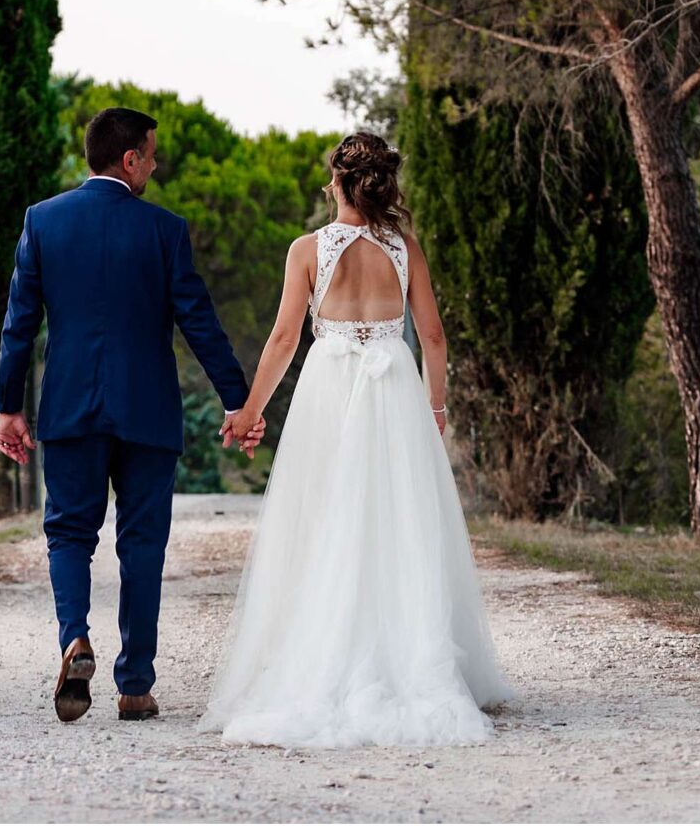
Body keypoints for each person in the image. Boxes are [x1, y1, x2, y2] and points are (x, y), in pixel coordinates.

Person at [200, 130, 513, 746]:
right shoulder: (406, 249)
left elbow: (286, 340)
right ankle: (408, 661)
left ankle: (320, 657)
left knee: (321, 519)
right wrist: (437, 406)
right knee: (398, 521)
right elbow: (435, 337)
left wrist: (248, 412)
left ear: (338, 183)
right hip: (394, 387)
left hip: (330, 387)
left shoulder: (308, 248)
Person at [0, 106, 257, 725]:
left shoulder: (44, 222)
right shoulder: (164, 230)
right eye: (153, 155)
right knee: (142, 545)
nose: (156, 165)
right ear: (130, 159)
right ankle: (135, 684)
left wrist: (8, 406)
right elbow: (200, 323)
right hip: (147, 412)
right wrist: (237, 400)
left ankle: (73, 640)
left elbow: (19, 326)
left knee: (68, 534)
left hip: (70, 408)